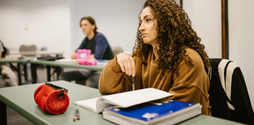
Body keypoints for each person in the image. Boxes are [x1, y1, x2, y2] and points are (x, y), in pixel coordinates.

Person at [99, 0, 211, 115]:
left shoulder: (189, 59)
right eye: (141, 22)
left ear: (166, 22)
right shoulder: (141, 56)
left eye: (148, 20)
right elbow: (105, 88)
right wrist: (117, 60)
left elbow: (177, 108)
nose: (141, 28)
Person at [59, 16, 114, 88]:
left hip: (102, 70)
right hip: (90, 69)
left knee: (90, 82)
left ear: (93, 26)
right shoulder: (86, 39)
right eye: (81, 25)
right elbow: (75, 53)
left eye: (85, 25)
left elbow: (97, 56)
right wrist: (75, 54)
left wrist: (80, 56)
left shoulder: (100, 37)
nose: (82, 27)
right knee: (63, 76)